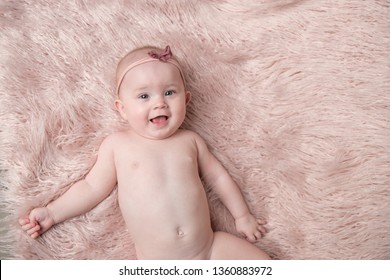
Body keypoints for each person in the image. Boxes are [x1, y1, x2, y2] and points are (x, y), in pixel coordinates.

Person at [19, 45, 271, 260]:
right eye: (144, 96)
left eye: (170, 92)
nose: (159, 103)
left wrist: (242, 216)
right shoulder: (117, 145)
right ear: (122, 108)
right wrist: (53, 213)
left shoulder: (191, 141)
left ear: (187, 99)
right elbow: (91, 187)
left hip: (209, 248)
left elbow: (219, 178)